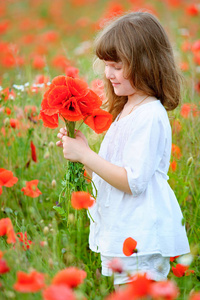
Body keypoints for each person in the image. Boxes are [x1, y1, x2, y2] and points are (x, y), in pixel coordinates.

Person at [56, 11, 190, 285]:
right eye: (106, 65)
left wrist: (86, 155)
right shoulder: (127, 109)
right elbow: (108, 176)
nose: (108, 73)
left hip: (141, 236)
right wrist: (81, 157)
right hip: (124, 230)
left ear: (145, 64)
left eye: (116, 66)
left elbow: (132, 181)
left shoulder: (149, 114)